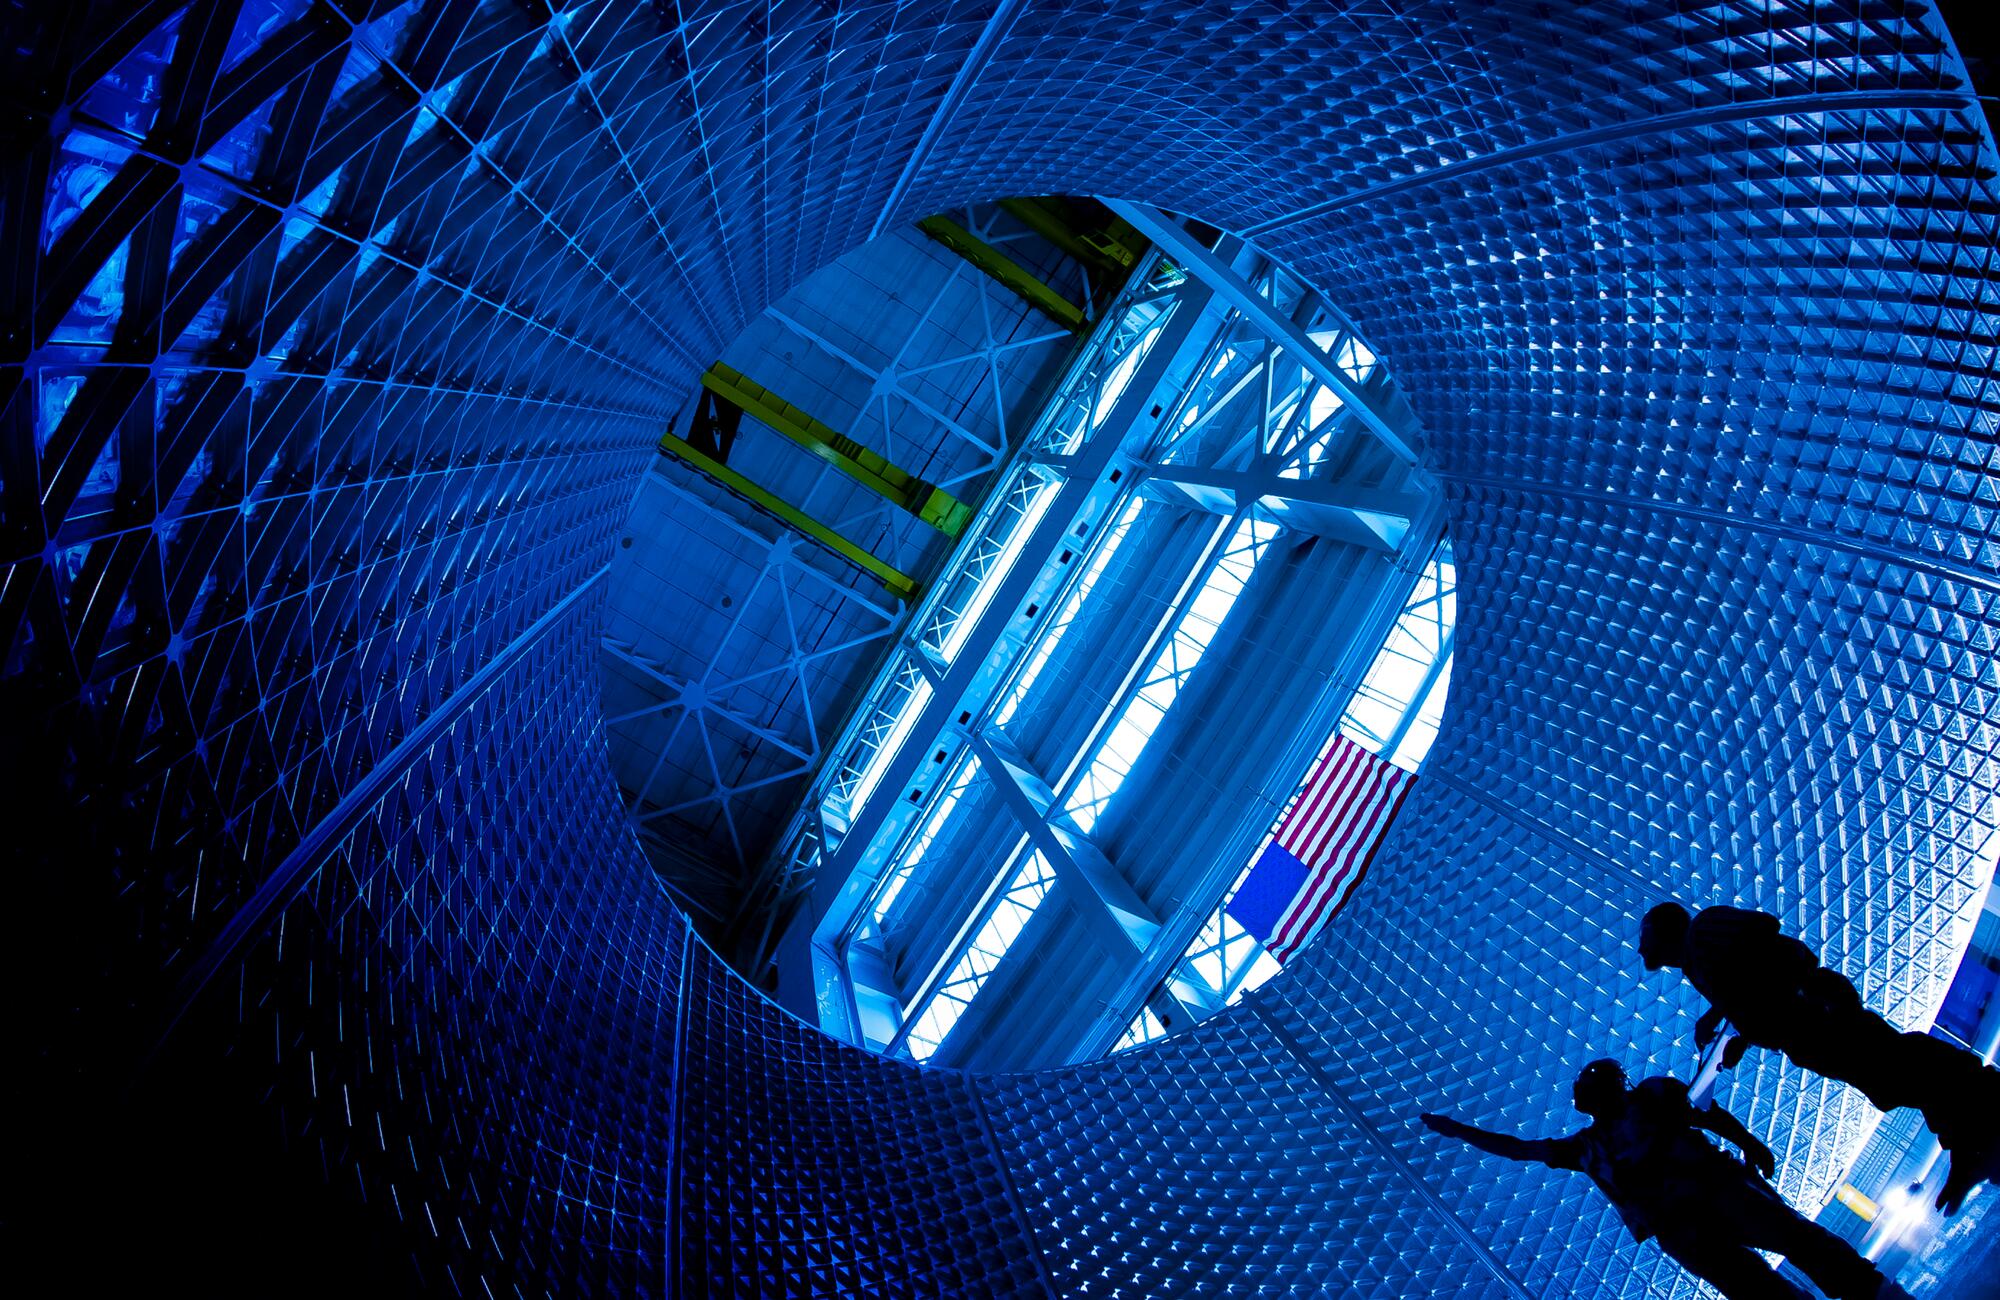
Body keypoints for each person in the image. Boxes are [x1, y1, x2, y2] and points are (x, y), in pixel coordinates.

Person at [1422, 1059, 1906, 1300]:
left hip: (1714, 1195)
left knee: (1797, 1245)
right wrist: (1459, 1131)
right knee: (1762, 1283)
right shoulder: (1588, 1146)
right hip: (1689, 1222)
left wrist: (1748, 1142)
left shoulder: (1639, 1107)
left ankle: (1874, 1292)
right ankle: (1872, 1291)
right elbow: (1518, 1149)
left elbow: (1706, 1113)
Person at [1640, 900, 2000, 1212]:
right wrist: (1735, 1026)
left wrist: (1738, 1016)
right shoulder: (1697, 958)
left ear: (1663, 932)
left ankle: (1981, 1111)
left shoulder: (1702, 932)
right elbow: (1748, 984)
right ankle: (1967, 1135)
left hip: (1811, 1012)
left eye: (1646, 940)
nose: (1642, 951)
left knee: (1897, 1064)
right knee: (1891, 1074)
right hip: (1803, 1022)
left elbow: (1761, 948)